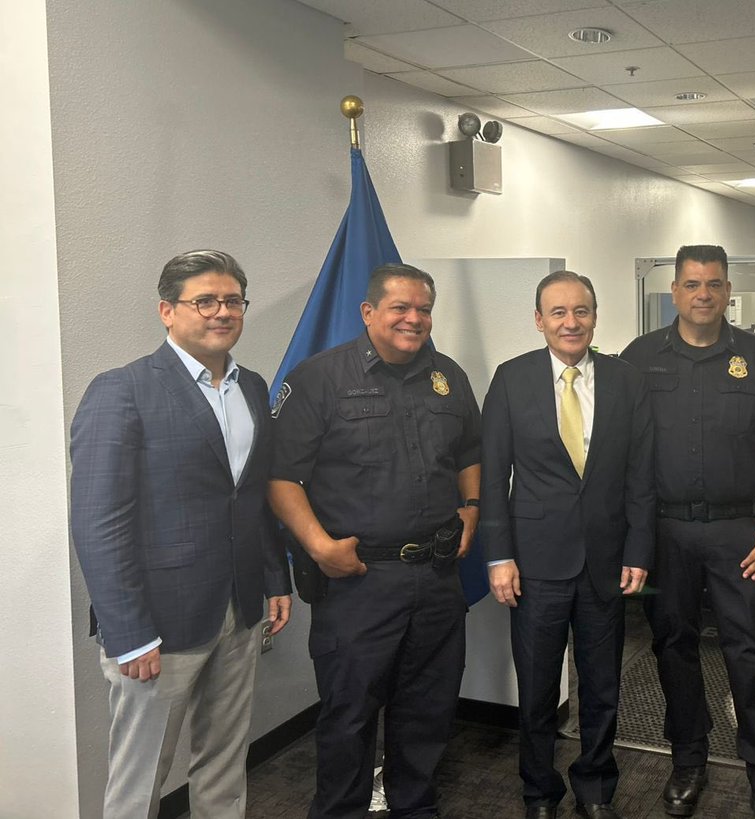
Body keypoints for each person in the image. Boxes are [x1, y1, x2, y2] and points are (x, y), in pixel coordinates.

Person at [70, 249, 292, 819]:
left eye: (233, 300)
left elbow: (253, 497)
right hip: (158, 626)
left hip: (239, 611)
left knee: (223, 762)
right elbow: (99, 522)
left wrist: (275, 578)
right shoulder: (122, 390)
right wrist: (127, 632)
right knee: (141, 776)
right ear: (167, 311)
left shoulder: (251, 387)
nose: (223, 312)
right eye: (206, 301)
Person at [269, 263, 482, 819]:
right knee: (350, 715)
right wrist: (318, 547)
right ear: (369, 313)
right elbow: (281, 477)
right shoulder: (319, 378)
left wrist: (472, 510)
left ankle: (415, 806)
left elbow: (469, 454)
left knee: (429, 708)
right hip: (360, 581)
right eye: (400, 308)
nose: (414, 320)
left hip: (436, 578)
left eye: (424, 309)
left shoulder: (449, 376)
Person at [620, 245, 755, 819]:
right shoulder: (639, 357)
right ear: (674, 291)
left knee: (750, 651)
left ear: (728, 293)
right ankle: (688, 759)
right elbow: (619, 449)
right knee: (673, 647)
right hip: (664, 532)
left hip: (740, 533)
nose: (704, 293)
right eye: (693, 283)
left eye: (714, 284)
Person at [481, 271, 655, 819]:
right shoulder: (511, 380)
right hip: (533, 564)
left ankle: (596, 788)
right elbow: (492, 478)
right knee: (535, 692)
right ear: (539, 321)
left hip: (606, 562)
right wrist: (499, 555)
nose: (570, 322)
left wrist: (639, 550)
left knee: (602, 685)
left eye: (580, 310)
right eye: (557, 312)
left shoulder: (627, 380)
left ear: (595, 316)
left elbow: (641, 474)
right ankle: (539, 791)